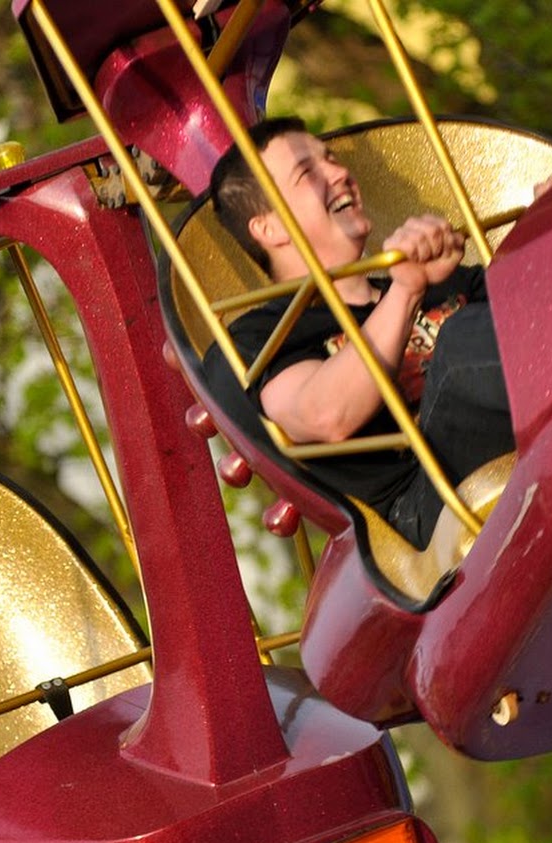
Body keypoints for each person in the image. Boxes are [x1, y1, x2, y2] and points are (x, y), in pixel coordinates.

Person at [208, 116, 528, 549]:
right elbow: (325, 415)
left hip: (521, 439)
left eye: (332, 160)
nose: (340, 174)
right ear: (270, 228)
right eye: (308, 173)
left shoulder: (442, 279)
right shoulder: (259, 334)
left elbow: (533, 307)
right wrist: (405, 290)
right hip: (423, 511)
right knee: (461, 343)